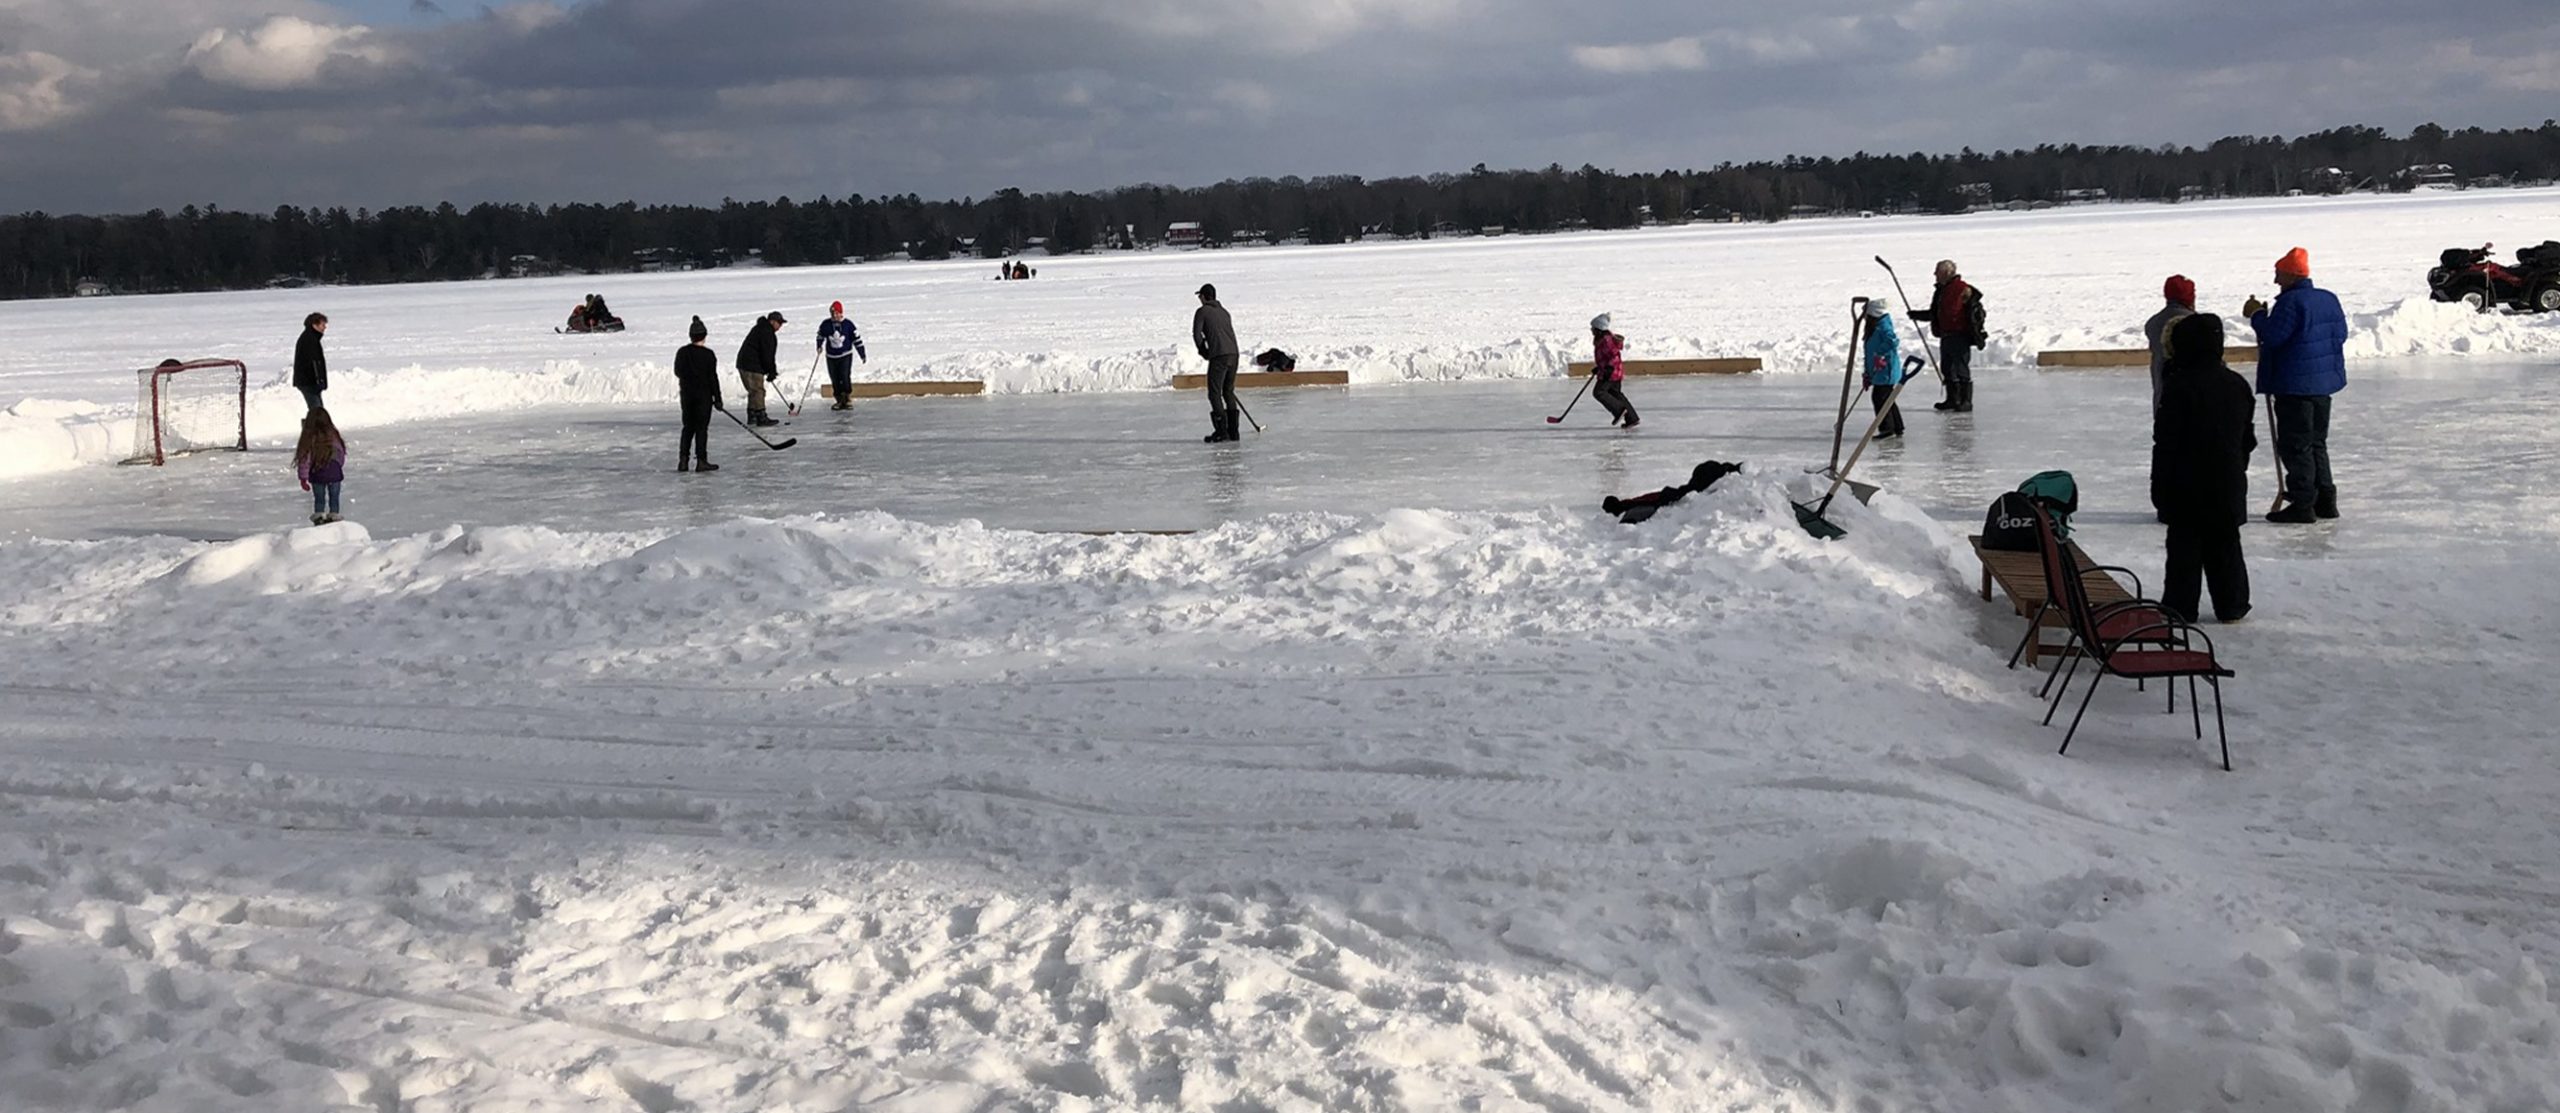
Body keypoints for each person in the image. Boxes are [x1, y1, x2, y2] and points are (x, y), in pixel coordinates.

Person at [2154, 313, 2255, 622]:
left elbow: (2166, 442)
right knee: (2225, 544)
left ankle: (2180, 607)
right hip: (2227, 479)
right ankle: (2233, 603)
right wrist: (2236, 468)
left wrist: (2159, 488)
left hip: (2186, 482)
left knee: (2184, 547)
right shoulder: (2236, 384)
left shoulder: (2178, 386)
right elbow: (2246, 439)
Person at [2245, 246, 2347, 523]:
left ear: (2291, 275)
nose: (2276, 281)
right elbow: (2341, 334)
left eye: (2278, 275)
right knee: (2316, 443)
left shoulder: (2291, 303)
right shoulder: (2328, 299)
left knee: (2295, 445)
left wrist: (2257, 317)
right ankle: (2325, 499)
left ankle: (2302, 503)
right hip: (2322, 385)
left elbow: (2273, 336)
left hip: (2294, 386)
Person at [2146, 275, 2198, 520]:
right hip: (2193, 403)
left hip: (2163, 400)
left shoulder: (2154, 323)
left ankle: (2165, 503)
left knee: (2167, 452)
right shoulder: (2194, 324)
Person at [1907, 260, 1979, 412]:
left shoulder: (1962, 289)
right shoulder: (1941, 290)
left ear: (1946, 272)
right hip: (1946, 335)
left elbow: (1971, 312)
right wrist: (1917, 315)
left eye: (1937, 271)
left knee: (1960, 368)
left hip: (1960, 335)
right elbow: (1936, 314)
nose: (1934, 274)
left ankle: (1965, 401)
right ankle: (1952, 399)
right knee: (1947, 368)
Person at [1192, 284, 1241, 442]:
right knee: (1228, 391)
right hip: (1234, 354)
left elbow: (1197, 333)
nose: (1199, 299)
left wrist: (1203, 351)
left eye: (1200, 296)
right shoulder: (1224, 312)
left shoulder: (1202, 311)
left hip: (1219, 356)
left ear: (1205, 297)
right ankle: (1233, 431)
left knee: (1214, 393)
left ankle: (1221, 431)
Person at [675, 316, 723, 472]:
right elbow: (712, 378)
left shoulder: (682, 352)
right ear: (704, 336)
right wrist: (718, 398)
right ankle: (701, 460)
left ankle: (683, 460)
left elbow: (678, 371)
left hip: (687, 396)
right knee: (701, 429)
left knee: (688, 428)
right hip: (703, 397)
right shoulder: (708, 355)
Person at [293, 407, 347, 525]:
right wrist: (338, 466)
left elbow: (304, 459)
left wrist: (303, 477)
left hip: (317, 472)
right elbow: (340, 453)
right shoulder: (333, 435)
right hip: (334, 472)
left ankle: (319, 516)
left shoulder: (308, 439)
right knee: (334, 497)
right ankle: (334, 515)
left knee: (319, 498)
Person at [1861, 299, 1905, 439]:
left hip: (1886, 369)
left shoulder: (1882, 326)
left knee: (1880, 397)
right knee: (1887, 398)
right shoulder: (1875, 327)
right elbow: (1869, 352)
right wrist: (1868, 374)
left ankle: (1887, 428)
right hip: (1879, 371)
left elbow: (1892, 341)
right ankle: (1897, 426)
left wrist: (1880, 354)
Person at [735, 310, 785, 426]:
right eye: (779, 323)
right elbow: (767, 354)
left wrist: (769, 370)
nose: (780, 326)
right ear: (772, 322)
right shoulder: (767, 333)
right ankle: (761, 416)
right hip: (751, 365)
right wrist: (771, 371)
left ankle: (752, 415)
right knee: (758, 391)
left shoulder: (760, 328)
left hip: (744, 364)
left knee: (753, 391)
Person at [816, 301, 867, 411]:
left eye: (837, 313)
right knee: (835, 378)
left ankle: (847, 398)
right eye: (833, 313)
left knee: (844, 376)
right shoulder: (826, 324)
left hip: (845, 355)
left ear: (841, 313)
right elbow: (820, 336)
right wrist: (819, 346)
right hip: (831, 357)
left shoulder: (848, 325)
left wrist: (862, 353)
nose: (835, 316)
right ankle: (839, 399)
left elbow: (856, 340)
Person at [1589, 313, 1637, 428]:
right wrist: (1599, 367)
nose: (1591, 330)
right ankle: (1632, 418)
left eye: (1593, 328)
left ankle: (1619, 410)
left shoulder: (1606, 340)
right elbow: (1605, 357)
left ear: (1599, 329)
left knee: (1599, 392)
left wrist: (1608, 369)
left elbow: (1613, 355)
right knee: (1616, 395)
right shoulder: (1603, 339)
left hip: (1611, 373)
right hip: (1613, 371)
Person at [293, 312, 329, 411]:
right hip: (308, 382)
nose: (325, 327)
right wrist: (319, 381)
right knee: (316, 410)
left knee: (318, 409)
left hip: (309, 381)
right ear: (314, 325)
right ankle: (312, 426)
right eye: (322, 324)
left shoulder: (312, 338)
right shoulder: (309, 340)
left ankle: (314, 425)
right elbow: (314, 362)